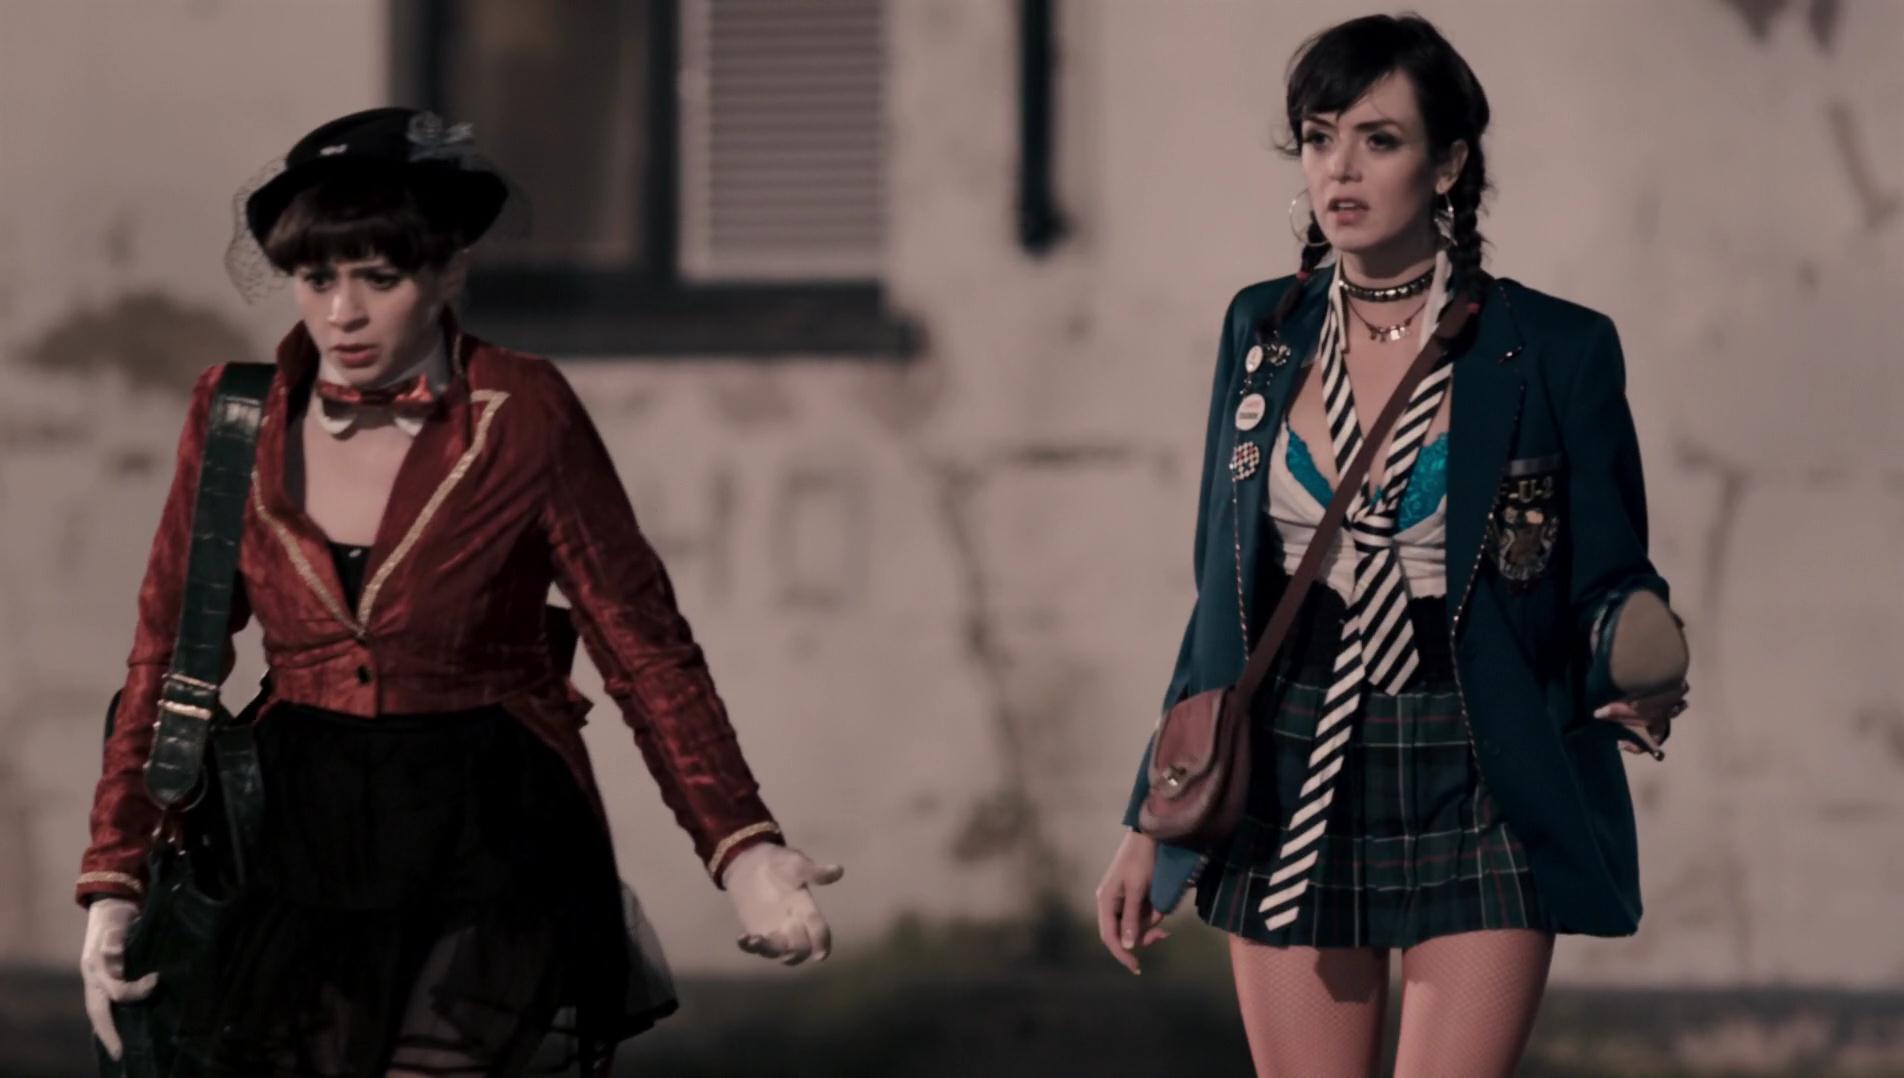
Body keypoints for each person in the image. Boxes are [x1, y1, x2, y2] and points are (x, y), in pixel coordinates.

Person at [75, 107, 841, 1076]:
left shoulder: (523, 411)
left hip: (489, 815)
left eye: (378, 277)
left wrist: (741, 845)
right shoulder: (235, 415)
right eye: (316, 278)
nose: (342, 313)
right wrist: (115, 875)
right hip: (296, 822)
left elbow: (643, 646)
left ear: (447, 272)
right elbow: (168, 655)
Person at [1094, 16, 1688, 1077]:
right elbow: (1221, 597)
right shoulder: (1260, 331)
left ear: (1447, 164)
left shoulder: (1552, 347)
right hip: (1286, 755)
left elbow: (1608, 575)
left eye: (1379, 139)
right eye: (1319, 137)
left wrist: (1635, 661)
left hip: (1480, 754)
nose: (1340, 168)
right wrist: (1153, 815)